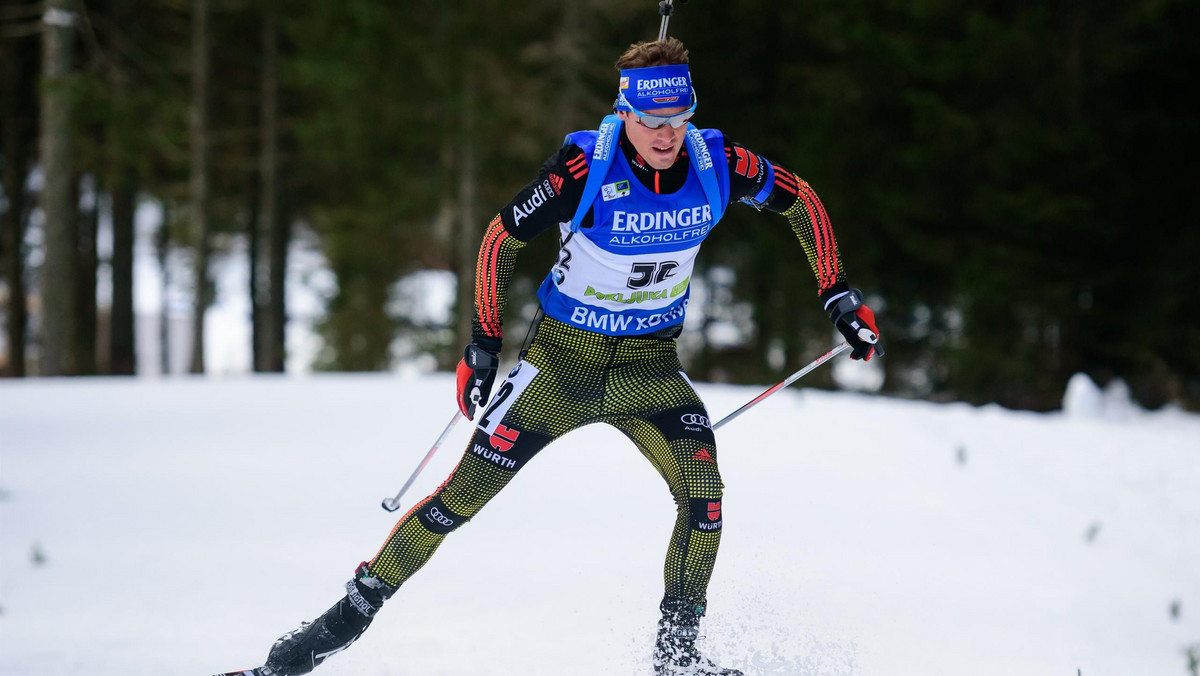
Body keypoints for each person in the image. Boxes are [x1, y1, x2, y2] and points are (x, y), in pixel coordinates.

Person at [241, 38, 880, 676]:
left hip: (648, 370)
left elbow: (801, 198)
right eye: (652, 120)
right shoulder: (587, 170)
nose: (667, 134)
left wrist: (838, 294)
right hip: (558, 366)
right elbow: (501, 237)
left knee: (704, 498)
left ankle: (677, 659)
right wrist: (483, 342)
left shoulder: (719, 163)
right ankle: (327, 633)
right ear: (626, 111)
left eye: (679, 118)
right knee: (456, 500)